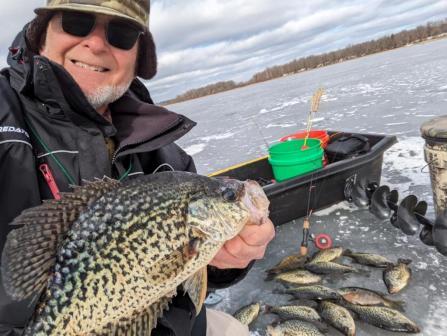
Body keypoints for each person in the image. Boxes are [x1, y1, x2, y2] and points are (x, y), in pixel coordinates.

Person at [0, 0, 275, 335]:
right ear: (41, 34)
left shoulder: (168, 157)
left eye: (121, 33)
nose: (97, 43)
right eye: (76, 22)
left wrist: (226, 260)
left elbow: (183, 275)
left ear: (138, 57)